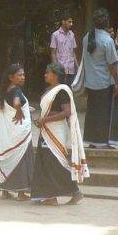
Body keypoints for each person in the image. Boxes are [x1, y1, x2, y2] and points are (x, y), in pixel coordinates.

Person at [31, 62, 89, 205]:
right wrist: (41, 119)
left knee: (54, 161)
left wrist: (44, 119)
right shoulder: (49, 89)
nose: (45, 75)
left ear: (56, 75)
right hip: (46, 130)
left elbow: (66, 112)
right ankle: (50, 196)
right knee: (45, 162)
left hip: (56, 130)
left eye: (47, 72)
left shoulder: (62, 91)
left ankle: (73, 192)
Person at [0, 63, 34, 200]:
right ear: (11, 77)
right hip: (20, 134)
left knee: (8, 160)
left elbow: (5, 107)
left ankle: (5, 191)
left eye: (23, 74)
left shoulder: (5, 91)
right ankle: (21, 193)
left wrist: (26, 108)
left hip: (9, 135)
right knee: (22, 161)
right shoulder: (17, 91)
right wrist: (20, 110)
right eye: (19, 75)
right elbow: (16, 103)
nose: (23, 77)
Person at [81, 8, 118, 149]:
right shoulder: (107, 40)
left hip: (90, 82)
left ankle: (92, 140)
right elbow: (112, 65)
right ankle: (103, 141)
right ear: (106, 23)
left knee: (92, 112)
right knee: (104, 113)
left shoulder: (87, 37)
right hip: (104, 82)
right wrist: (117, 82)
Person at [49, 15, 78, 86]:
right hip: (61, 71)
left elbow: (73, 52)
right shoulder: (55, 35)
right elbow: (53, 53)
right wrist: (55, 70)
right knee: (61, 92)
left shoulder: (72, 35)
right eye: (69, 22)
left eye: (72, 22)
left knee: (70, 92)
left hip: (71, 70)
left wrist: (77, 66)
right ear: (63, 22)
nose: (71, 24)